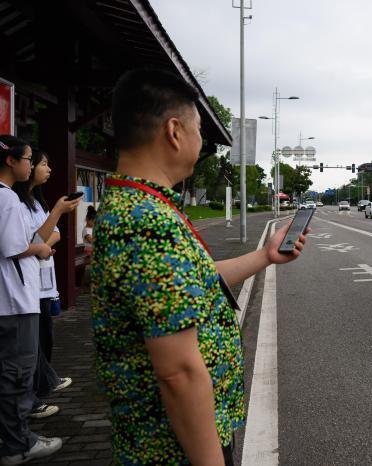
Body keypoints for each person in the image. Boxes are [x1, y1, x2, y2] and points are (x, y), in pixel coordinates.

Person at [90, 68, 308, 465]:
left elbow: (197, 283)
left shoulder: (143, 208)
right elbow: (179, 373)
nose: (201, 140)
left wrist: (265, 255)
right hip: (174, 448)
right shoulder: (147, 223)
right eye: (198, 130)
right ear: (174, 131)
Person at [0, 135, 63, 464]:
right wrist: (39, 248)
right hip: (13, 300)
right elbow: (16, 246)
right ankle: (17, 444)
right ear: (11, 161)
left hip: (10, 299)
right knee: (17, 374)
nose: (31, 164)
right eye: (28, 158)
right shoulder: (7, 199)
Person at [12, 147, 79, 417]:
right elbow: (30, 243)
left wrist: (41, 245)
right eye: (41, 163)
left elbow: (53, 235)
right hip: (26, 285)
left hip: (41, 280)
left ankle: (43, 384)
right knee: (31, 347)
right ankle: (35, 395)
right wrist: (40, 245)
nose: (47, 169)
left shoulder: (36, 201)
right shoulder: (13, 202)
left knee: (43, 340)